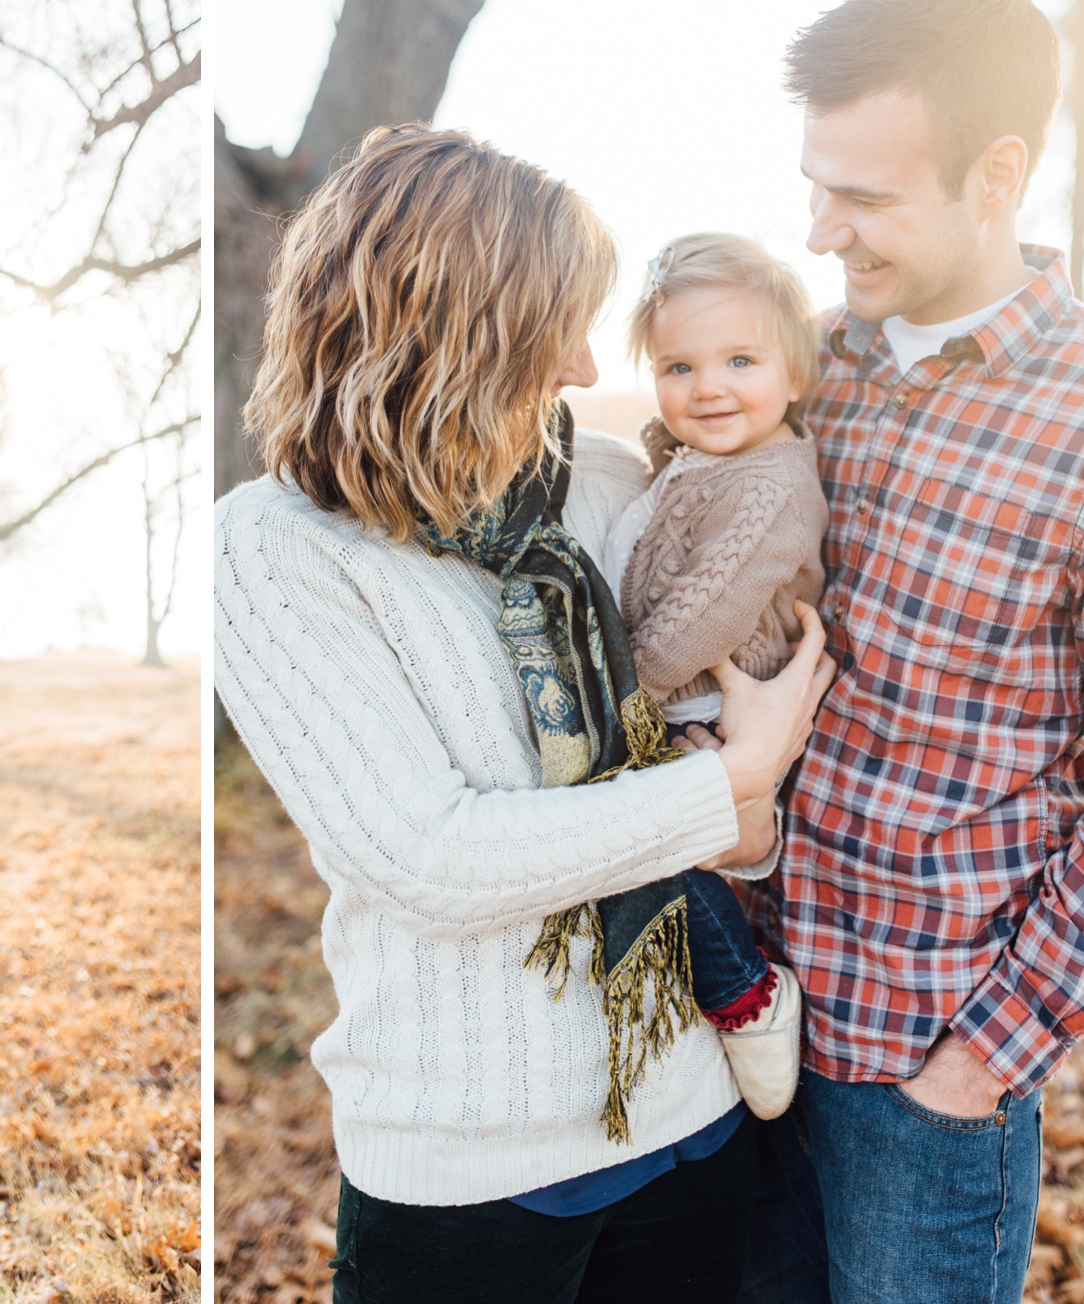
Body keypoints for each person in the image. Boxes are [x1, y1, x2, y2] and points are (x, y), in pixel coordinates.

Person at [215, 123, 833, 1303]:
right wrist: (726, 787)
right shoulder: (275, 550)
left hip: (693, 1109)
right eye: (555, 325)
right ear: (456, 331)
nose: (577, 368)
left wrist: (746, 803)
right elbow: (427, 857)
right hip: (474, 1160)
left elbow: (703, 732)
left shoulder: (600, 481)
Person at [740, 0, 1084, 1304]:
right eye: (814, 183)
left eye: (865, 196)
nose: (823, 230)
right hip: (736, 1047)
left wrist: (975, 1067)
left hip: (925, 1086)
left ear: (996, 173)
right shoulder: (796, 372)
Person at [602, 232, 830, 1118]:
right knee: (634, 842)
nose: (709, 387)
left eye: (741, 359)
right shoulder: (702, 460)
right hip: (681, 697)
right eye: (679, 365)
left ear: (795, 375)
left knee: (643, 841)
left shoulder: (771, 481)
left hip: (702, 693)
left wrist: (623, 694)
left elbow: (708, 612)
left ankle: (746, 993)